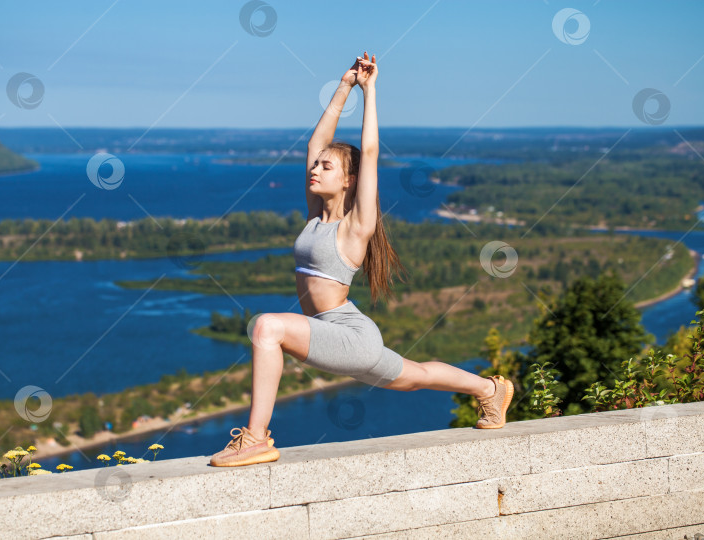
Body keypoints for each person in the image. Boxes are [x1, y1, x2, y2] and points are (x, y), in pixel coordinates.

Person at [209, 52, 514, 467]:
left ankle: (257, 439)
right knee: (416, 377)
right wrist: (343, 86)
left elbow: (369, 154)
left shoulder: (356, 227)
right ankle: (489, 390)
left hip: (348, 334)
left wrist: (370, 91)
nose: (315, 169)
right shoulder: (316, 217)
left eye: (326, 166)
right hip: (336, 333)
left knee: (267, 326)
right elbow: (315, 144)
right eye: (315, 166)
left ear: (348, 179)